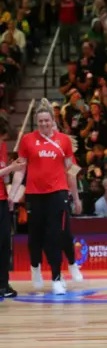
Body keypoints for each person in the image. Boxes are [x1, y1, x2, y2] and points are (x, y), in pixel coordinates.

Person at [9, 99, 82, 295]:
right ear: (36, 122)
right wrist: (14, 192)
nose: (43, 124)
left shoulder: (63, 140)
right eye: (40, 121)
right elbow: (20, 168)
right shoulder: (27, 140)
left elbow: (71, 170)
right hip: (35, 194)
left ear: (52, 120)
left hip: (58, 193)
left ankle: (57, 278)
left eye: (46, 121)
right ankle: (35, 268)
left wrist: (76, 198)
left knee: (55, 235)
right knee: (35, 236)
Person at [0, 122, 23, 298]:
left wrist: (10, 166)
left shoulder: (2, 146)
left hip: (1, 199)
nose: (2, 141)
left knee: (4, 244)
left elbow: (4, 175)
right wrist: (11, 168)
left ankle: (3, 284)